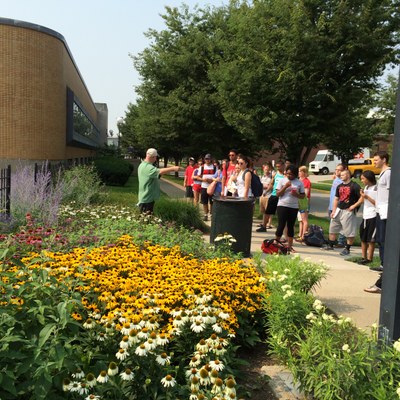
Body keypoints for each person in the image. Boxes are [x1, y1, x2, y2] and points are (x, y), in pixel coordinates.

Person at [364, 151, 391, 294]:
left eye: (376, 160)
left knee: (384, 242)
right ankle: (382, 265)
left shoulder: (388, 174)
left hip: (386, 213)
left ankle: (384, 272)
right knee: (381, 241)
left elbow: (390, 195)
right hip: (380, 211)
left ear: (384, 160)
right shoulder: (382, 174)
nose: (374, 162)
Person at [323, 169, 361, 256]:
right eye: (340, 175)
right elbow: (336, 198)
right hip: (339, 210)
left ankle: (347, 248)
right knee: (332, 228)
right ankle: (331, 244)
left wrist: (354, 206)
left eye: (343, 175)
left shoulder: (354, 186)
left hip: (348, 211)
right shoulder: (339, 186)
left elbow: (361, 198)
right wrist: (334, 210)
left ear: (348, 175)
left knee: (348, 231)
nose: (341, 176)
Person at [137, 148, 181, 214]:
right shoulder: (148, 167)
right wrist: (173, 168)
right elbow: (159, 171)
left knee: (147, 220)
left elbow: (156, 174)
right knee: (146, 221)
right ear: (152, 157)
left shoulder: (143, 165)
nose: (156, 159)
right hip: (147, 199)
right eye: (155, 157)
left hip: (146, 198)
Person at [275, 164, 305, 252]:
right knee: (281, 225)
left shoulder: (299, 183)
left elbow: (303, 196)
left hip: (293, 206)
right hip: (282, 205)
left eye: (291, 174)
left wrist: (297, 194)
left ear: (295, 175)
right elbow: (277, 194)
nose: (289, 175)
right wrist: (285, 186)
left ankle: (290, 246)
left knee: (290, 226)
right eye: (288, 173)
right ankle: (276, 244)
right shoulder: (282, 181)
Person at [257, 161, 285, 232]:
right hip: (273, 195)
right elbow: (272, 184)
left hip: (281, 196)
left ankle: (281, 228)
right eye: (277, 167)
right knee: (267, 211)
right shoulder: (275, 174)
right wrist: (266, 192)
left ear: (283, 166)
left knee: (281, 213)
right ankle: (264, 226)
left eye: (279, 167)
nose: (278, 168)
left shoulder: (285, 175)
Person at [357, 170, 377, 265]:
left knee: (371, 239)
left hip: (373, 215)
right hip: (365, 215)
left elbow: (377, 203)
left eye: (363, 178)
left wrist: (367, 197)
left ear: (369, 178)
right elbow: (362, 200)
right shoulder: (366, 187)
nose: (362, 180)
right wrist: (354, 205)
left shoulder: (376, 188)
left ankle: (369, 258)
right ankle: (363, 257)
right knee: (363, 237)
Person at [329, 164, 347, 247]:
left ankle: (341, 241)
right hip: (332, 205)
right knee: (333, 225)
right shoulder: (336, 179)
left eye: (339, 170)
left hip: (339, 206)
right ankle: (333, 241)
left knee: (342, 224)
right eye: (336, 169)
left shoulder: (343, 181)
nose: (337, 171)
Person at [257, 162, 274, 231]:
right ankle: (264, 223)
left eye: (267, 169)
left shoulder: (271, 177)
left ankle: (269, 223)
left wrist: (266, 188)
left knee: (268, 211)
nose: (266, 170)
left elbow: (271, 185)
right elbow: (260, 185)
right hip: (262, 195)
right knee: (263, 211)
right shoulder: (262, 176)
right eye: (265, 169)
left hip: (268, 195)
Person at [296, 165, 311, 242]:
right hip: (298, 202)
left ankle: (303, 236)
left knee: (304, 220)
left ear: (304, 172)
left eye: (300, 171)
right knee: (300, 220)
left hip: (304, 203)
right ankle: (300, 234)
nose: (298, 173)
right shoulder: (299, 180)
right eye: (298, 171)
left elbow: (305, 194)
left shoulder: (306, 181)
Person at [199, 154, 216, 221]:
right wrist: (204, 180)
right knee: (204, 201)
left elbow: (217, 176)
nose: (207, 160)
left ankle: (211, 214)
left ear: (211, 159)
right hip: (204, 186)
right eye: (206, 159)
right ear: (204, 160)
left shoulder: (214, 167)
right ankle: (206, 214)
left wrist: (212, 180)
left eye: (208, 159)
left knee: (212, 202)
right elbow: (198, 177)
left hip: (212, 186)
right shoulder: (202, 167)